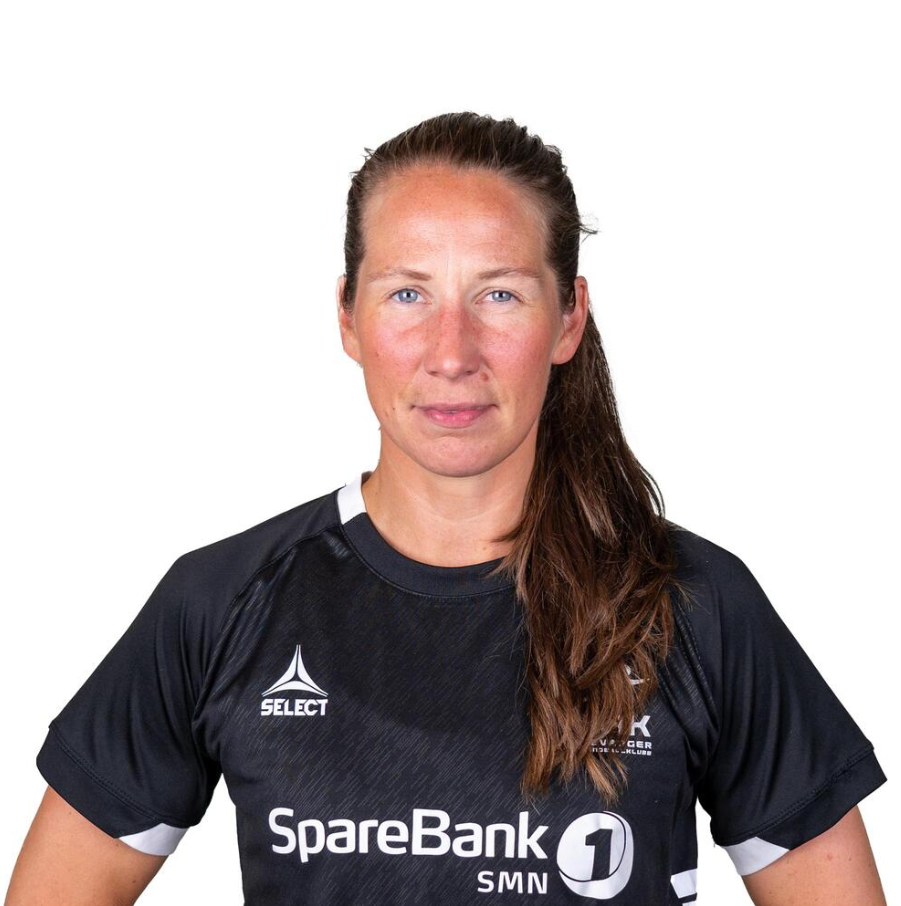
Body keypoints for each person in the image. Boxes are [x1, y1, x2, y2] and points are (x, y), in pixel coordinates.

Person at [5, 111, 887, 906]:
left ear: (568, 320)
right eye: (407, 293)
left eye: (499, 294)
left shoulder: (690, 606)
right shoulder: (223, 604)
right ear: (347, 318)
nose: (452, 352)